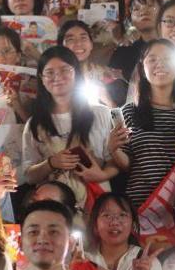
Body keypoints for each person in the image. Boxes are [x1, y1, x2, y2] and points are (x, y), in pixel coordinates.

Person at [21, 46, 117, 208]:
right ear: (41, 78)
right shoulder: (34, 124)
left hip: (97, 200)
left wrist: (101, 175)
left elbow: (115, 161)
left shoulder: (101, 114)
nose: (57, 77)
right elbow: (29, 175)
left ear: (76, 73)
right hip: (55, 207)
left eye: (65, 70)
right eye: (50, 72)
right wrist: (51, 163)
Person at [113, 39, 175, 208]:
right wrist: (113, 149)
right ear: (142, 68)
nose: (159, 64)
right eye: (152, 59)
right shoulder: (129, 112)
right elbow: (127, 164)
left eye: (167, 59)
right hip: (143, 206)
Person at [83, 192, 163, 270]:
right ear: (95, 224)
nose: (115, 222)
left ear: (133, 224)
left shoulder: (147, 264)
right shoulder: (84, 259)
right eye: (106, 215)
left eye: (122, 215)